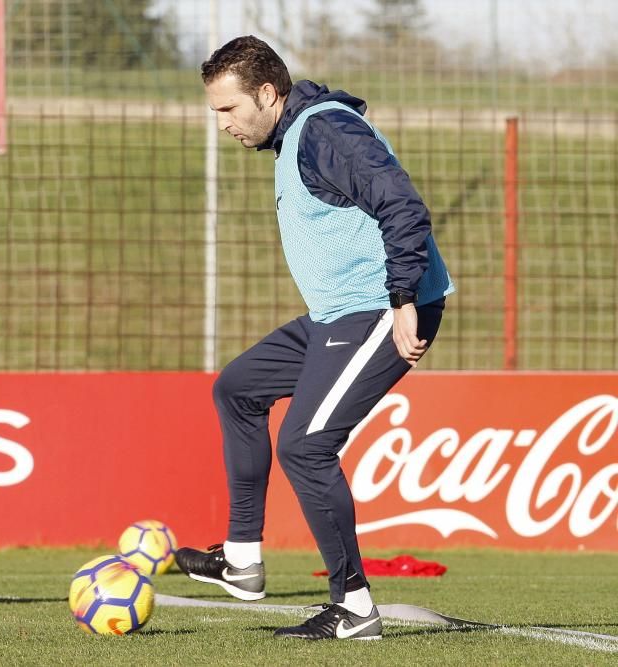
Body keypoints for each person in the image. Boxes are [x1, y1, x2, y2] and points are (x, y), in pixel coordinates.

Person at [174, 36, 454, 641]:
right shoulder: (298, 136)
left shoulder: (327, 131)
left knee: (305, 445)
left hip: (380, 309)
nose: (223, 124)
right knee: (238, 389)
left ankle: (353, 607)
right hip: (338, 314)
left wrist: (403, 298)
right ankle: (243, 560)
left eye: (229, 110)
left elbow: (402, 205)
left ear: (268, 94)